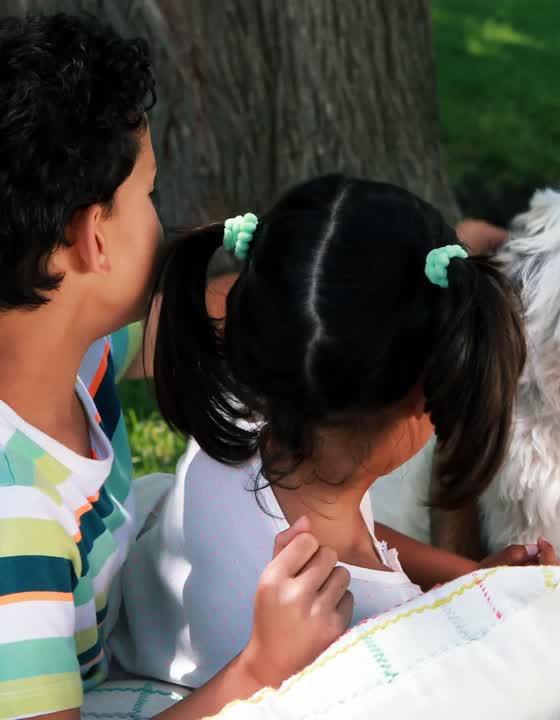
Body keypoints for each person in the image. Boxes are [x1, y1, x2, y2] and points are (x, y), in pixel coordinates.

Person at [112, 174, 560, 688]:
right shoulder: (366, 623)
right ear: (421, 398)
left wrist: (472, 576)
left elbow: (352, 534)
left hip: (137, 636)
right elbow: (354, 559)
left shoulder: (242, 420)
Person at [0, 14, 357, 720]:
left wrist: (323, 288)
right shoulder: (18, 524)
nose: (161, 220)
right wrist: (259, 668)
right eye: (149, 194)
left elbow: (195, 323)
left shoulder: (72, 353)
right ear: (92, 237)